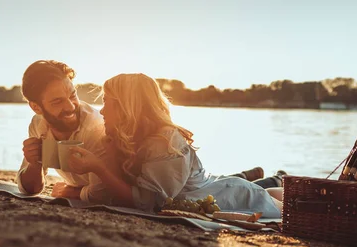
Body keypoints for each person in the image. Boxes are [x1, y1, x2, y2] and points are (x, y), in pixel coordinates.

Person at [66, 73, 283, 218]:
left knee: (288, 207)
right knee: (273, 191)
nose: (101, 111)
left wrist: (98, 168)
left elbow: (147, 203)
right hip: (219, 188)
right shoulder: (121, 138)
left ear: (126, 107)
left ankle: (280, 181)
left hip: (234, 200)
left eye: (107, 102)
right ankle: (277, 180)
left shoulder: (165, 141)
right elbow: (111, 192)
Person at [16, 60, 108, 203]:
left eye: (72, 95)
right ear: (36, 107)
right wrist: (35, 164)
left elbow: (104, 192)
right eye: (57, 102)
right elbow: (30, 189)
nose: (71, 107)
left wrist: (71, 191)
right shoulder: (38, 124)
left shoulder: (96, 127)